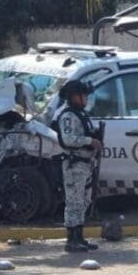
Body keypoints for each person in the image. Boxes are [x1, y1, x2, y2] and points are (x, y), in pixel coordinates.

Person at [54, 81, 103, 253]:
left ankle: (79, 236)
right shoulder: (68, 116)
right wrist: (90, 141)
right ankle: (71, 239)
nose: (86, 99)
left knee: (84, 200)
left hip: (85, 163)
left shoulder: (81, 114)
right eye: (83, 96)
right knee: (74, 201)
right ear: (74, 97)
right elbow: (68, 139)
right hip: (74, 164)